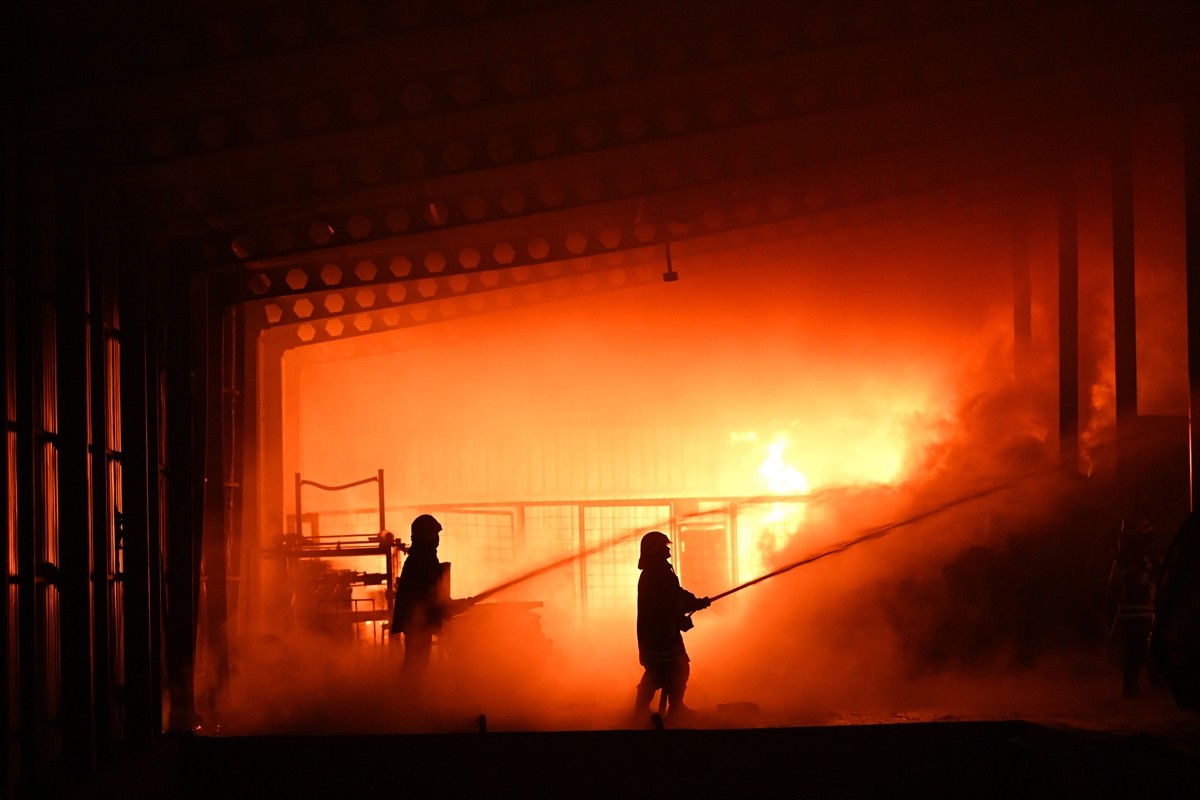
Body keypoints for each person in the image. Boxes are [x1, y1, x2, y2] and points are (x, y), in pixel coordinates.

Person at [634, 530, 710, 720]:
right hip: (661, 633)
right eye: (664, 547)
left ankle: (644, 710)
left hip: (659, 632)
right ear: (654, 549)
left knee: (661, 670)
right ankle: (672, 709)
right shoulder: (657, 572)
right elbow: (670, 599)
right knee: (672, 668)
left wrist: (694, 602)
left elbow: (674, 594)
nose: (668, 551)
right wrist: (694, 603)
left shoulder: (656, 570)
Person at [390, 514, 474, 685]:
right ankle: (405, 703)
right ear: (427, 535)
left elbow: (432, 596)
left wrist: (453, 605)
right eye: (435, 534)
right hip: (418, 621)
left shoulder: (420, 558)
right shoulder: (423, 560)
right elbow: (431, 598)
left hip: (417, 620)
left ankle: (406, 703)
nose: (437, 539)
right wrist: (456, 605)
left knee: (416, 663)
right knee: (416, 663)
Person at [1108, 513, 1161, 697]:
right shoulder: (1127, 555)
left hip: (1146, 611)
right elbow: (1124, 580)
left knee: (1148, 654)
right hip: (1135, 613)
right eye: (1145, 528)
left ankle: (1146, 691)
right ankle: (1131, 691)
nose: (1149, 532)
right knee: (1136, 653)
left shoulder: (1147, 553)